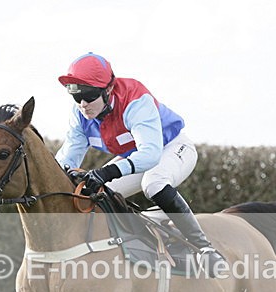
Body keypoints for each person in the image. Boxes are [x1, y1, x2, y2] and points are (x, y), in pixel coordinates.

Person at [54, 52, 226, 275]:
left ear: (108, 89)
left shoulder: (134, 99)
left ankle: (205, 249)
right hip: (135, 155)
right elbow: (67, 160)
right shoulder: (79, 116)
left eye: (89, 95)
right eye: (77, 97)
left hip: (171, 148)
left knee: (153, 183)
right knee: (101, 195)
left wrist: (107, 171)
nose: (83, 104)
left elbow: (150, 154)